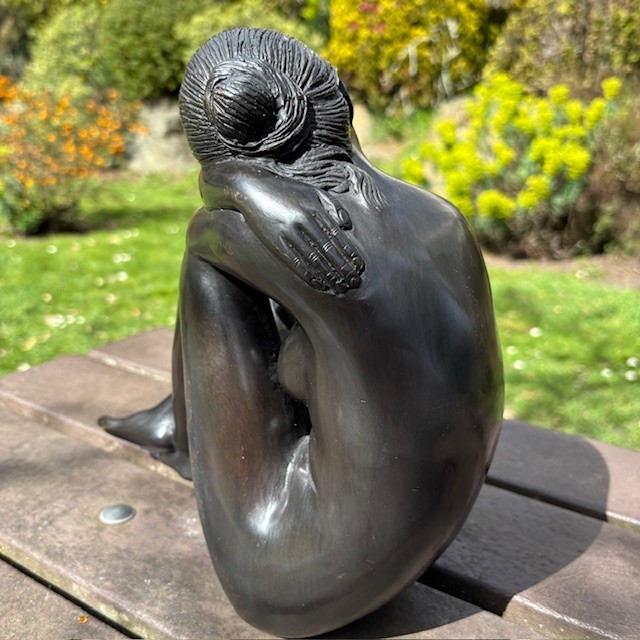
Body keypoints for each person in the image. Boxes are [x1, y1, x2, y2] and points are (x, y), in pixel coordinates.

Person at [100, 28, 503, 638]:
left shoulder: (284, 238)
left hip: (290, 579)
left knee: (204, 256)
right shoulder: (443, 219)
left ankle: (182, 434)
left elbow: (204, 224)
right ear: (336, 95)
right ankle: (176, 422)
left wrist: (235, 186)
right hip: (419, 536)